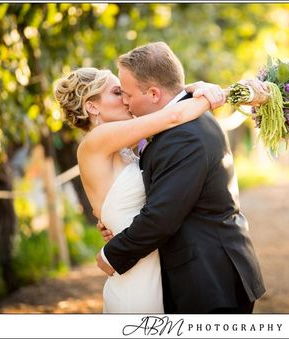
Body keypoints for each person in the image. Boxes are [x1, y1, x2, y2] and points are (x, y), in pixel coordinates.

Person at [97, 41, 266, 313]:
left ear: (153, 93)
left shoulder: (184, 136)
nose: (125, 101)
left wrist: (113, 254)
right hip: (207, 273)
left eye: (127, 94)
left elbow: (162, 216)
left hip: (209, 280)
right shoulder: (185, 118)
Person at [54, 67, 225, 313]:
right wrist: (215, 94)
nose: (125, 99)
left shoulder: (118, 145)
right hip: (135, 276)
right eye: (116, 92)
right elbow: (172, 116)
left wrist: (190, 88)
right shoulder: (98, 138)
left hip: (151, 261)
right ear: (92, 107)